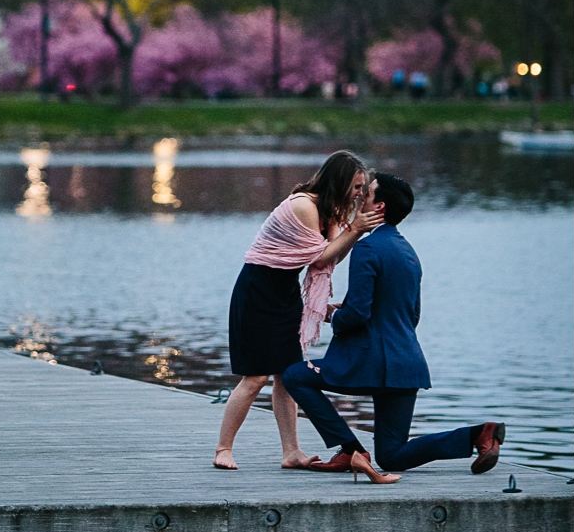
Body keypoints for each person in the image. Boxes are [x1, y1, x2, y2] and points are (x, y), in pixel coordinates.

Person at [282, 173, 505, 483]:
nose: (361, 197)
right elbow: (411, 314)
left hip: (372, 362)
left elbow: (359, 313)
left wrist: (330, 316)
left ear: (380, 206)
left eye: (368, 193)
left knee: (295, 376)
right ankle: (478, 435)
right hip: (406, 363)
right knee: (392, 455)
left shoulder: (368, 248)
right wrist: (347, 313)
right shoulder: (408, 251)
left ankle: (349, 450)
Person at [212, 149, 382, 471]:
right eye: (357, 186)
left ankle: (291, 452)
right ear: (341, 180)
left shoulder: (330, 210)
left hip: (286, 293)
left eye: (363, 188)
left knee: (288, 376)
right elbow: (318, 258)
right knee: (256, 376)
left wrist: (352, 229)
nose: (361, 194)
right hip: (258, 291)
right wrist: (355, 229)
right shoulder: (304, 205)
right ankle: (223, 448)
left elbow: (331, 256)